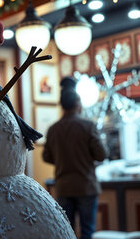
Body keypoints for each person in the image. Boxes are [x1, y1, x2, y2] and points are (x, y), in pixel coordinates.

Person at [43, 77, 108, 239]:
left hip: (63, 187)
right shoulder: (88, 126)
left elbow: (46, 156)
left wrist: (62, 160)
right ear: (78, 104)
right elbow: (102, 154)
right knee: (87, 231)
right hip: (86, 186)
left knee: (67, 232)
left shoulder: (53, 129)